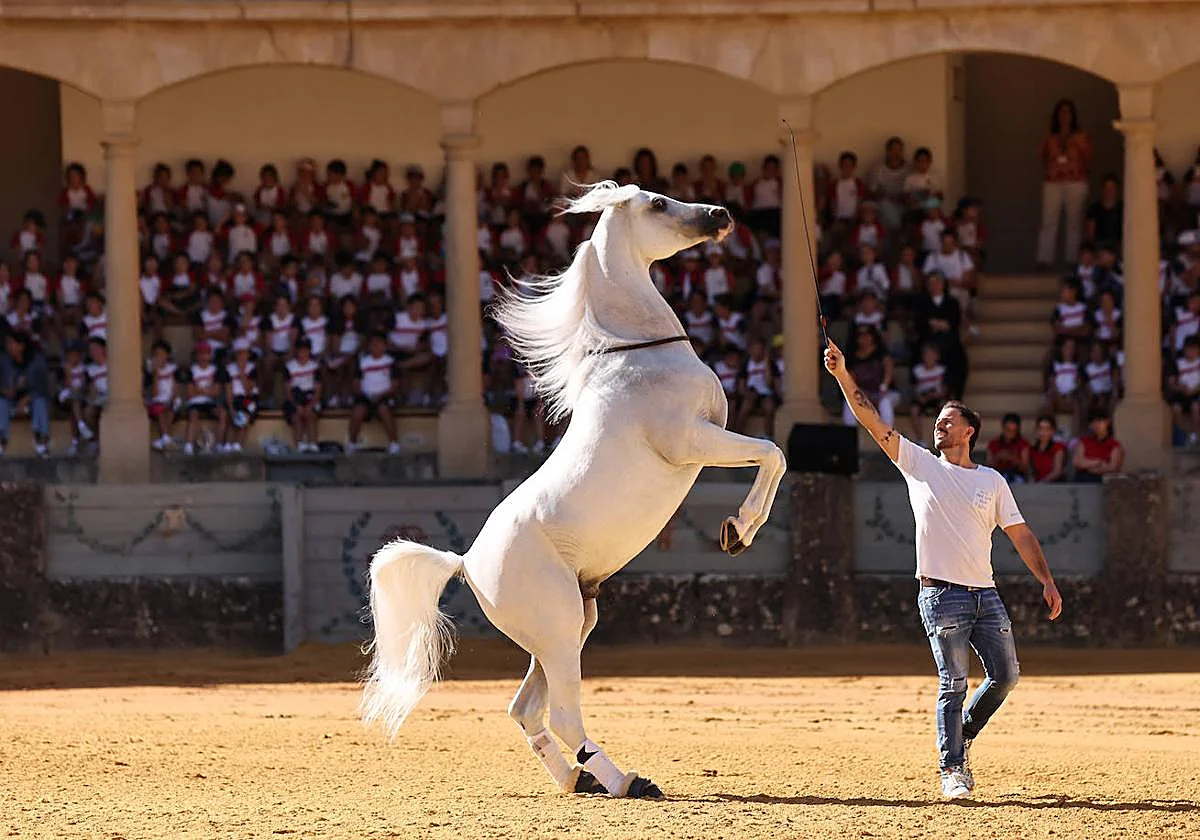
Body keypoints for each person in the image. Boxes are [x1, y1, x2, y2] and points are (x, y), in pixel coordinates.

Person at [824, 338, 1062, 800]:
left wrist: (1047, 580)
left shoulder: (991, 480)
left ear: (969, 430)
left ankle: (962, 734)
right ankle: (952, 766)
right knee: (952, 680)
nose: (939, 424)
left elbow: (1021, 535)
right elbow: (871, 419)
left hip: (984, 594)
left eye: (949, 420)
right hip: (940, 595)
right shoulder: (918, 464)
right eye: (937, 420)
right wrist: (842, 374)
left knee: (1006, 675)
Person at [1037, 98, 1093, 269]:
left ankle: (1072, 260)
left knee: (1074, 223)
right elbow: (1041, 155)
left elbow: (1089, 158)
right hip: (1053, 182)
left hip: (1075, 182)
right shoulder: (1050, 136)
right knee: (1048, 222)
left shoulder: (1082, 136)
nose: (1064, 115)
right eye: (1061, 111)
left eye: (1068, 111)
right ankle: (1044, 260)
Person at [0, 331, 50, 457]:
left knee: (40, 403)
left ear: (21, 346)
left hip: (31, 401)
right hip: (10, 401)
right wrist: (4, 390)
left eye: (11, 343)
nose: (8, 346)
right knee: (1, 403)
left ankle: (42, 442)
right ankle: (1, 441)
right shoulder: (3, 361)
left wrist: (26, 399)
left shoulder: (37, 362)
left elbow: (43, 389)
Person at [1072, 409, 1123, 482]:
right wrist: (1098, 462)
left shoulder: (1115, 445)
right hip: (1082, 479)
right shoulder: (1084, 442)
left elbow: (1112, 468)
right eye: (1093, 422)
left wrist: (1086, 465)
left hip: (1103, 481)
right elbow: (1077, 462)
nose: (1096, 425)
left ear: (1107, 422)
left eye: (1099, 421)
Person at [986, 413, 1032, 483]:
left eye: (1013, 430)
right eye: (1008, 430)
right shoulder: (993, 443)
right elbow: (988, 467)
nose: (1010, 433)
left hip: (1017, 476)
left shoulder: (1023, 444)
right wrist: (998, 457)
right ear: (1003, 428)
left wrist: (1013, 459)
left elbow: (1025, 468)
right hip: (997, 476)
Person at [1030, 414, 1067, 483]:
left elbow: (1057, 471)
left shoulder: (1058, 447)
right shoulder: (1032, 449)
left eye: (1047, 429)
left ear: (1052, 431)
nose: (1043, 433)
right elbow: (1031, 471)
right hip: (1036, 485)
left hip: (1055, 485)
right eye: (1040, 429)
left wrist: (1042, 483)